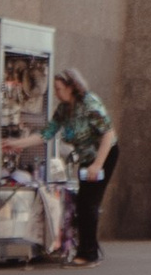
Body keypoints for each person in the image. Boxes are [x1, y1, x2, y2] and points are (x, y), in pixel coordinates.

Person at [48, 70, 116, 263]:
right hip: (87, 158)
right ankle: (88, 248)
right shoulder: (64, 109)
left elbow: (108, 134)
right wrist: (17, 144)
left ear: (71, 87)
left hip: (105, 153)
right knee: (83, 203)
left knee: (89, 203)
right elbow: (48, 132)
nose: (57, 93)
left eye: (59, 89)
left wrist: (98, 165)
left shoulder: (89, 103)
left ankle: (88, 253)